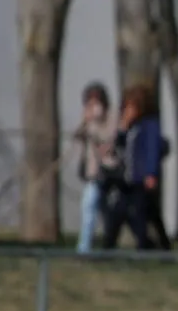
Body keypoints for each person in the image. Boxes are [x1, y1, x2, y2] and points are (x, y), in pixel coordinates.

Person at [104, 84, 171, 251]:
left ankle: (148, 247)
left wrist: (151, 173)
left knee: (142, 214)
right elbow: (119, 147)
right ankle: (108, 247)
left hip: (141, 179)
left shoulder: (149, 125)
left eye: (132, 107)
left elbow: (152, 150)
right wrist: (123, 127)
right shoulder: (130, 127)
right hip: (126, 179)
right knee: (118, 213)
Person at [73, 82, 119, 254]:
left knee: (107, 211)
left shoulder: (112, 115)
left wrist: (95, 125)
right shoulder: (88, 118)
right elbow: (77, 136)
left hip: (108, 170)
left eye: (96, 101)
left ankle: (107, 245)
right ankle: (84, 247)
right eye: (89, 102)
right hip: (92, 172)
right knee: (89, 205)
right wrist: (85, 121)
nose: (93, 106)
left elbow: (109, 140)